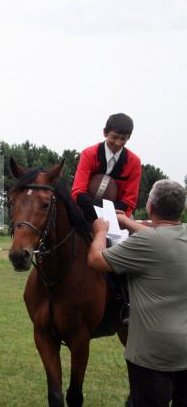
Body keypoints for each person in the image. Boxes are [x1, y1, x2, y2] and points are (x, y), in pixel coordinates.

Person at [87, 180, 187, 406]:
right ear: (181, 209)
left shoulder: (145, 242)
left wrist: (101, 232)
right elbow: (162, 235)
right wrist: (126, 221)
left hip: (152, 357)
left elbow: (95, 260)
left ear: (150, 208)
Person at [72, 113, 142, 221]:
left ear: (129, 137)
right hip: (85, 209)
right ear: (105, 132)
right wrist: (100, 212)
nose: (118, 143)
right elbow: (78, 192)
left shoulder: (135, 162)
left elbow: (129, 201)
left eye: (123, 139)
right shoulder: (88, 154)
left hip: (117, 215)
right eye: (114, 137)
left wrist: (109, 215)